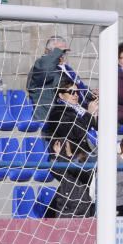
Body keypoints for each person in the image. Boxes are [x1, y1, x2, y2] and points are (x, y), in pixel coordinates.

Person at [43, 78, 98, 218]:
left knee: (77, 194)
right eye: (71, 92)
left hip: (83, 158)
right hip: (66, 159)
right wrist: (89, 114)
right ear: (61, 95)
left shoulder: (79, 110)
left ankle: (50, 216)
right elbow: (76, 132)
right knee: (74, 194)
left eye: (77, 92)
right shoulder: (58, 112)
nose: (75, 95)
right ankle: (54, 220)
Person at [28, 36, 91, 123]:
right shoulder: (40, 68)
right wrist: (57, 52)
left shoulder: (66, 68)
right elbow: (45, 68)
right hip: (51, 119)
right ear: (47, 51)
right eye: (60, 51)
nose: (62, 55)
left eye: (64, 52)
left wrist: (92, 93)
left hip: (75, 113)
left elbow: (78, 86)